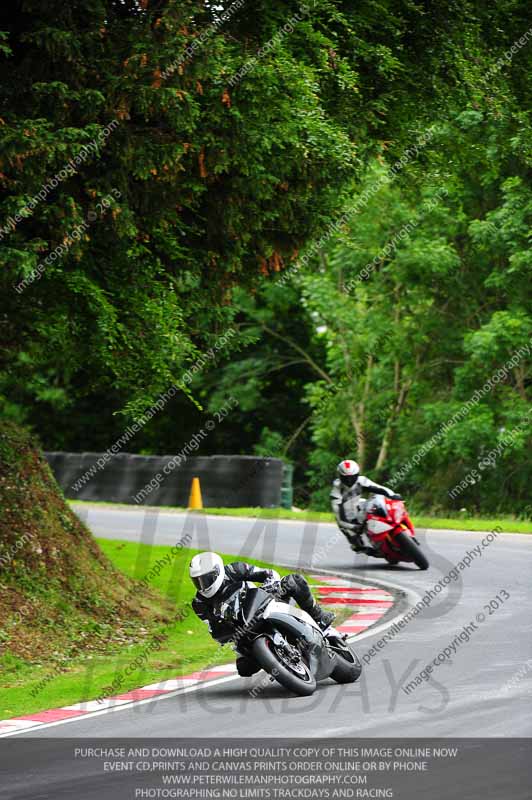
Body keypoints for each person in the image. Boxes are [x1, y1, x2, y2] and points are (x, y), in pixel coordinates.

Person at [190, 552, 335, 676]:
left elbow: (269, 574)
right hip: (243, 631)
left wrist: (270, 584)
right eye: (198, 581)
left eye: (206, 579)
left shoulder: (234, 570)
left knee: (293, 581)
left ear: (217, 571)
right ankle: (277, 661)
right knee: (244, 669)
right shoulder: (199, 603)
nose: (203, 585)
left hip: (264, 603)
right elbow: (212, 628)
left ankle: (318, 617)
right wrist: (222, 632)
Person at [330, 459, 402, 553]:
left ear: (357, 474)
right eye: (346, 478)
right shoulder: (335, 493)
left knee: (378, 504)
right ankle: (360, 547)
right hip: (347, 518)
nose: (349, 481)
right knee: (352, 536)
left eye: (352, 477)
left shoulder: (361, 480)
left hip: (359, 505)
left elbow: (379, 488)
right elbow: (340, 518)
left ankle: (390, 526)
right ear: (340, 477)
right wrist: (353, 527)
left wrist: (392, 494)